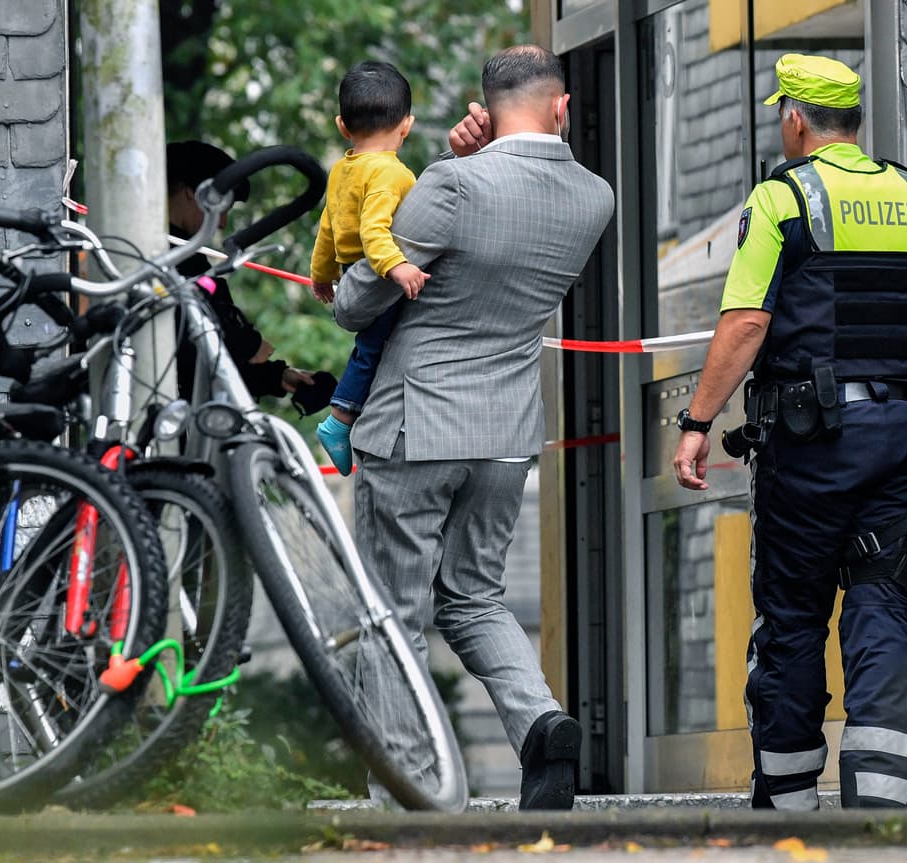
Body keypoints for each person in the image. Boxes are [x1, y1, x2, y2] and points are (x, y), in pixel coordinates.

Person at [333, 45, 614, 811]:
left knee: (392, 611)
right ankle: (541, 723)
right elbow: (513, 216)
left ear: (484, 108)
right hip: (506, 428)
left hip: (416, 424)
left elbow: (359, 301)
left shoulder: (451, 182)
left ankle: (406, 790)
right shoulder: (596, 196)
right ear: (560, 108)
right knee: (475, 596)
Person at [671, 54, 907, 810]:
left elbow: (748, 319)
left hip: (814, 439)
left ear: (796, 119)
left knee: (793, 615)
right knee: (883, 603)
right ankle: (883, 808)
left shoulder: (783, 197)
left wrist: (698, 422)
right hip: (906, 433)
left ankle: (789, 806)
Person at [309, 61, 428, 475]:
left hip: (349, 272)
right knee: (373, 350)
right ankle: (339, 420)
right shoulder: (391, 173)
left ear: (343, 126)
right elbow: (374, 230)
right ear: (407, 125)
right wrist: (398, 269)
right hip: (375, 275)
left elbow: (329, 224)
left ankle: (349, 417)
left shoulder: (343, 168)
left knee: (370, 349)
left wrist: (321, 274)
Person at [166, 139, 328, 405]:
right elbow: (202, 350)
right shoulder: (164, 256)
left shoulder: (189, 259)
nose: (221, 223)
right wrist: (251, 350)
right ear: (194, 193)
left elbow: (211, 357)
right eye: (222, 209)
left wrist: (277, 377)